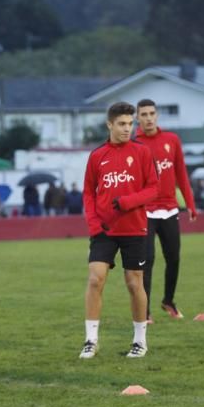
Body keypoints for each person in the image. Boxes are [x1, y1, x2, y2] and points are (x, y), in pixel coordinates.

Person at [79, 101, 158, 359]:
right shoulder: (97, 155)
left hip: (134, 228)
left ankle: (140, 341)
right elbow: (89, 192)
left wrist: (127, 202)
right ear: (110, 124)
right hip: (104, 229)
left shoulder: (142, 152)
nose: (127, 128)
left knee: (135, 283)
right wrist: (93, 222)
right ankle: (91, 340)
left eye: (130, 124)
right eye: (122, 124)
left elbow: (153, 188)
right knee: (95, 279)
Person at [134, 97, 197, 320]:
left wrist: (190, 204)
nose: (149, 118)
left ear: (157, 115)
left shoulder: (172, 139)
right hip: (145, 211)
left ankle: (168, 301)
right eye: (144, 114)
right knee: (147, 260)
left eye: (152, 113)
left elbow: (181, 174)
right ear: (137, 118)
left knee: (174, 258)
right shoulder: (134, 145)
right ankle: (146, 310)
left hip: (170, 209)